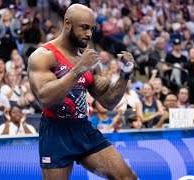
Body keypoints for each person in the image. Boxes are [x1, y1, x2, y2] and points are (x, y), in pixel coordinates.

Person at [27, 4, 137, 180]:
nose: (89, 34)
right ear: (68, 24)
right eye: (84, 28)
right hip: (56, 132)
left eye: (92, 29)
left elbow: (108, 103)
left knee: (127, 178)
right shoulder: (43, 56)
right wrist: (78, 69)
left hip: (82, 128)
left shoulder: (88, 60)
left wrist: (125, 75)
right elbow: (45, 98)